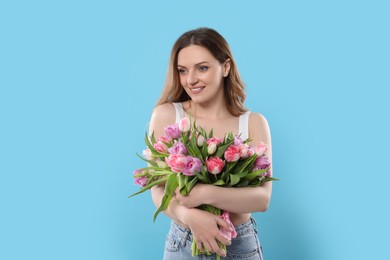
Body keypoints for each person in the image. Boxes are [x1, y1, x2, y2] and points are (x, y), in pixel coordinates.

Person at [148, 27, 272, 260]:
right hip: (184, 241)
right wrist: (188, 216)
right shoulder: (167, 116)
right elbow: (158, 189)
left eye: (202, 68)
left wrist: (204, 193)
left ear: (226, 67)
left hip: (239, 244)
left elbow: (262, 199)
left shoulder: (253, 123)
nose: (191, 80)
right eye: (183, 71)